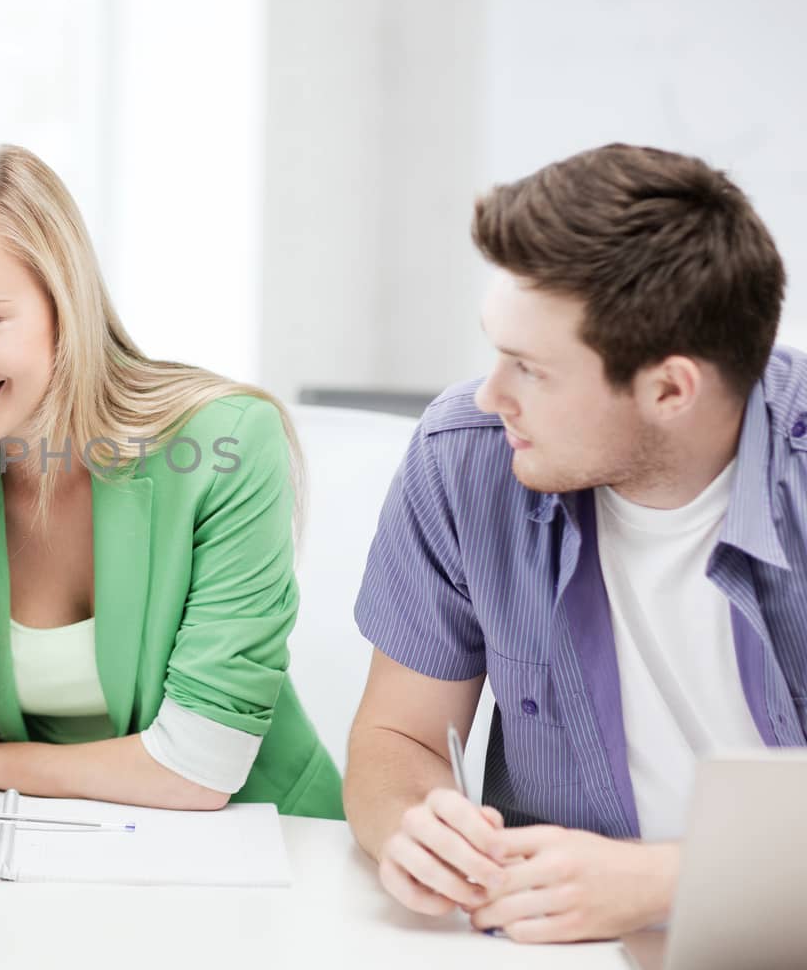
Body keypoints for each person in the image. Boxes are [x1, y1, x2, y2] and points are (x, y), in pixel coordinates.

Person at [345, 143, 805, 942]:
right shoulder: (466, 456)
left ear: (669, 388)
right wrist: (416, 824)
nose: (492, 395)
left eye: (530, 368)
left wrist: (666, 880)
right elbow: (397, 737)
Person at [0, 144, 340, 816]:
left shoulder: (227, 443)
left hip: (268, 848)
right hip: (37, 852)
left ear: (65, 305)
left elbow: (199, 766)